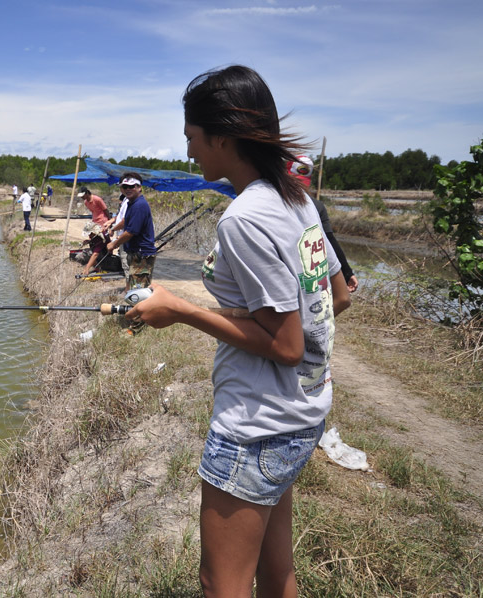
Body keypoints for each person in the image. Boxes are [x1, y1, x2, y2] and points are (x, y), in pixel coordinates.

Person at [127, 65, 351, 597]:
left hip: (256, 426)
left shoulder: (245, 218)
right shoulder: (297, 199)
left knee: (221, 583)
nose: (188, 153)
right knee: (278, 574)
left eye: (192, 139)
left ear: (223, 136)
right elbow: (337, 297)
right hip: (302, 413)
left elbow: (286, 344)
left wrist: (178, 310)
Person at [289, 156, 359, 293]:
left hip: (303, 273)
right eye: (295, 182)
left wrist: (347, 272)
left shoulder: (317, 206)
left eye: (302, 183)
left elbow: (329, 241)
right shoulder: (273, 204)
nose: (298, 187)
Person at [106, 173, 156, 334]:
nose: (128, 189)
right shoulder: (131, 202)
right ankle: (142, 320)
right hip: (134, 253)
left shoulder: (140, 205)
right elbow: (127, 221)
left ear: (139, 187)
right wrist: (112, 228)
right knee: (137, 288)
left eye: (132, 186)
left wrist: (114, 243)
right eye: (124, 187)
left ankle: (135, 329)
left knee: (137, 292)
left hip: (141, 255)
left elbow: (131, 231)